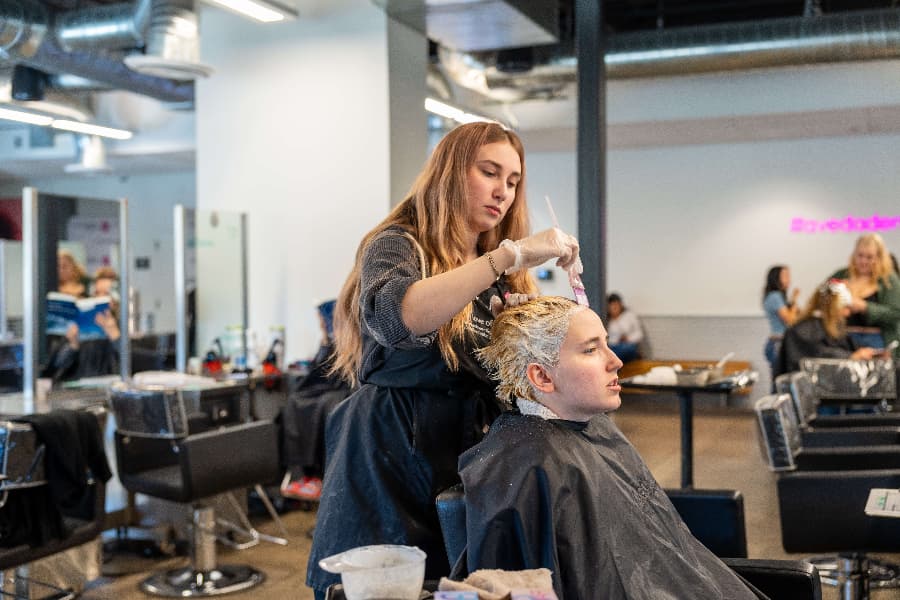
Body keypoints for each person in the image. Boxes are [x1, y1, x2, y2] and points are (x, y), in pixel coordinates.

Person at [306, 121, 581, 598]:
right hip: (390, 457)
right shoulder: (400, 244)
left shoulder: (497, 275)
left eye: (513, 181)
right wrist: (508, 256)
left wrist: (518, 338)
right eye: (489, 172)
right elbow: (398, 319)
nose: (503, 192)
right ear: (453, 172)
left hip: (465, 458)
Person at [462, 296, 763, 599]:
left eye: (606, 343)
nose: (616, 361)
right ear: (542, 376)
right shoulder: (528, 468)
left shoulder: (595, 427)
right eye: (591, 349)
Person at [279, 300, 353, 502]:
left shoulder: (349, 339)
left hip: (344, 390)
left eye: (322, 320)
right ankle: (305, 473)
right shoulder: (327, 340)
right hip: (328, 387)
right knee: (296, 400)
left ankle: (319, 475)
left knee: (324, 406)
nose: (320, 325)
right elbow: (318, 372)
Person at [774, 279, 881, 378]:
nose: (848, 314)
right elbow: (817, 355)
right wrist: (851, 356)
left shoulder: (834, 328)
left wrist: (868, 353)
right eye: (846, 307)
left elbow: (848, 347)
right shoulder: (803, 331)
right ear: (833, 306)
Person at [830, 233, 900, 356]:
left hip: (877, 341)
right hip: (844, 340)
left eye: (869, 257)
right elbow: (822, 300)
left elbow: (895, 313)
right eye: (860, 256)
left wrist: (865, 307)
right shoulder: (841, 275)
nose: (863, 261)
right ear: (854, 255)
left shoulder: (889, 280)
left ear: (879, 258)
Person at [762, 265, 800, 391]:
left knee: (781, 382)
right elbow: (790, 320)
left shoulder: (779, 297)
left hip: (780, 343)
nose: (789, 279)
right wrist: (795, 300)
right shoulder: (775, 296)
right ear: (776, 278)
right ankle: (774, 410)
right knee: (778, 383)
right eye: (785, 276)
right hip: (777, 344)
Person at [605, 292, 643, 362]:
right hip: (611, 347)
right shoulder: (606, 319)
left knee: (628, 348)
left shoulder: (629, 316)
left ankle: (611, 360)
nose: (614, 307)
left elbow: (639, 334)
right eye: (612, 305)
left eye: (616, 305)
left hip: (626, 346)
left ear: (621, 305)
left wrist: (627, 338)